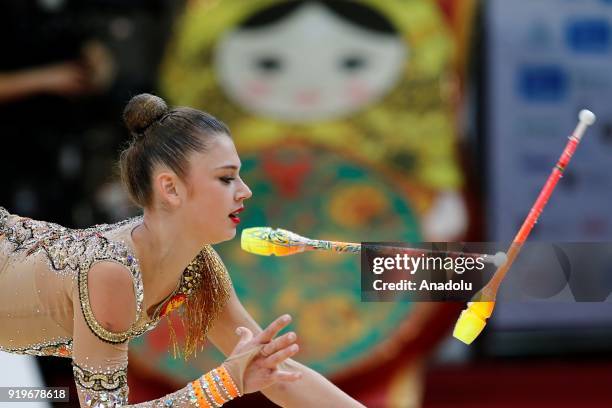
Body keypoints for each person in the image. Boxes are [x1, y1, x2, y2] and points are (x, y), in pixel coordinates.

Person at [0, 93, 364, 407]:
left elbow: (279, 375)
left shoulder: (197, 267)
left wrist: (241, 376)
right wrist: (226, 383)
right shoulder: (110, 273)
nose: (245, 191)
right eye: (226, 178)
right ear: (170, 189)